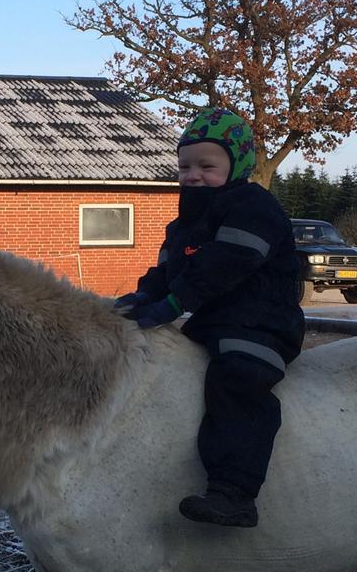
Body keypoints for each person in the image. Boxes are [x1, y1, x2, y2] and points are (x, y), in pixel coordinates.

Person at [115, 106, 304, 528]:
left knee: (237, 380)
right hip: (211, 322)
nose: (193, 175)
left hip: (259, 323)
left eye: (207, 166)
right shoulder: (183, 222)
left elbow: (225, 263)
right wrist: (142, 297)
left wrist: (174, 304)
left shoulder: (254, 207)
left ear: (236, 166)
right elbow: (167, 271)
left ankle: (234, 492)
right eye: (185, 166)